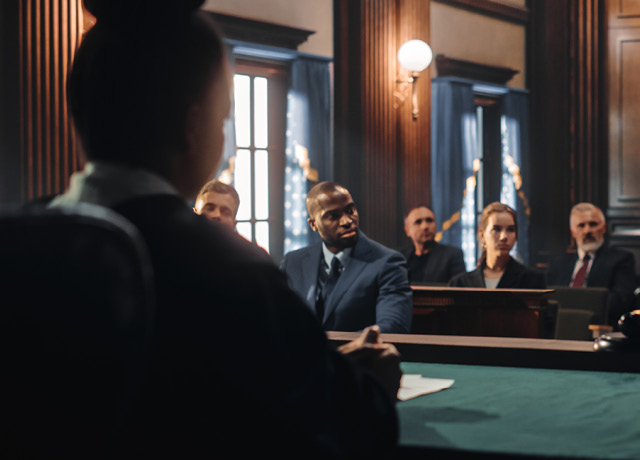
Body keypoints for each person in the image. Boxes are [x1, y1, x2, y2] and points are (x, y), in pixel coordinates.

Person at [47, 1, 400, 456]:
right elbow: (331, 427)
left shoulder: (23, 243)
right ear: (194, 124)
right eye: (223, 117)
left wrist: (318, 366)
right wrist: (371, 387)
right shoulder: (233, 271)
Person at [281, 182, 414, 333]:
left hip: (357, 356)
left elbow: (393, 328)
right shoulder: (293, 262)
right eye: (334, 216)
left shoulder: (388, 262)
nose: (347, 221)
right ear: (313, 224)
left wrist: (330, 351)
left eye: (350, 210)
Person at [546, 202, 637, 326]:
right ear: (573, 232)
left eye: (593, 224)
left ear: (604, 228)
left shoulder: (621, 259)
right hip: (560, 326)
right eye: (581, 225)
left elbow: (621, 301)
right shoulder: (558, 263)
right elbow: (549, 300)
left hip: (600, 327)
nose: (587, 230)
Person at [449, 202, 546, 289]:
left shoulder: (533, 280)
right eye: (496, 229)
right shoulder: (460, 283)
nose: (503, 237)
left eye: (510, 229)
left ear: (516, 236)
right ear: (482, 235)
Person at [402, 205, 467, 284]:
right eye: (418, 222)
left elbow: (459, 289)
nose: (425, 226)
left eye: (429, 220)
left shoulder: (452, 255)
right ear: (407, 230)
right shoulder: (400, 257)